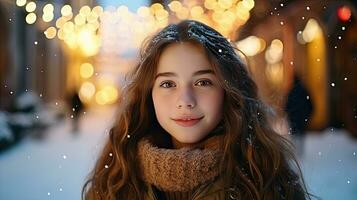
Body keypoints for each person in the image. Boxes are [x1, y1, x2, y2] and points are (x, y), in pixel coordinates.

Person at [82, 20, 312, 200]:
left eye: (203, 82)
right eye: (168, 84)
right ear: (148, 95)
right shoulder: (113, 185)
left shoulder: (268, 182)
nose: (186, 101)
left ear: (227, 90)